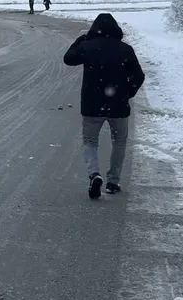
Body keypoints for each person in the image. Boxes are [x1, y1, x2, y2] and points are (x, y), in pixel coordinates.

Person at [62, 13, 146, 199]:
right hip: (119, 106)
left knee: (90, 142)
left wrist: (82, 39)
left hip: (92, 106)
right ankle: (113, 182)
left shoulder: (87, 47)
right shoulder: (125, 49)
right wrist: (127, 93)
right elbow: (139, 76)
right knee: (119, 142)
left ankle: (94, 174)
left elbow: (68, 58)